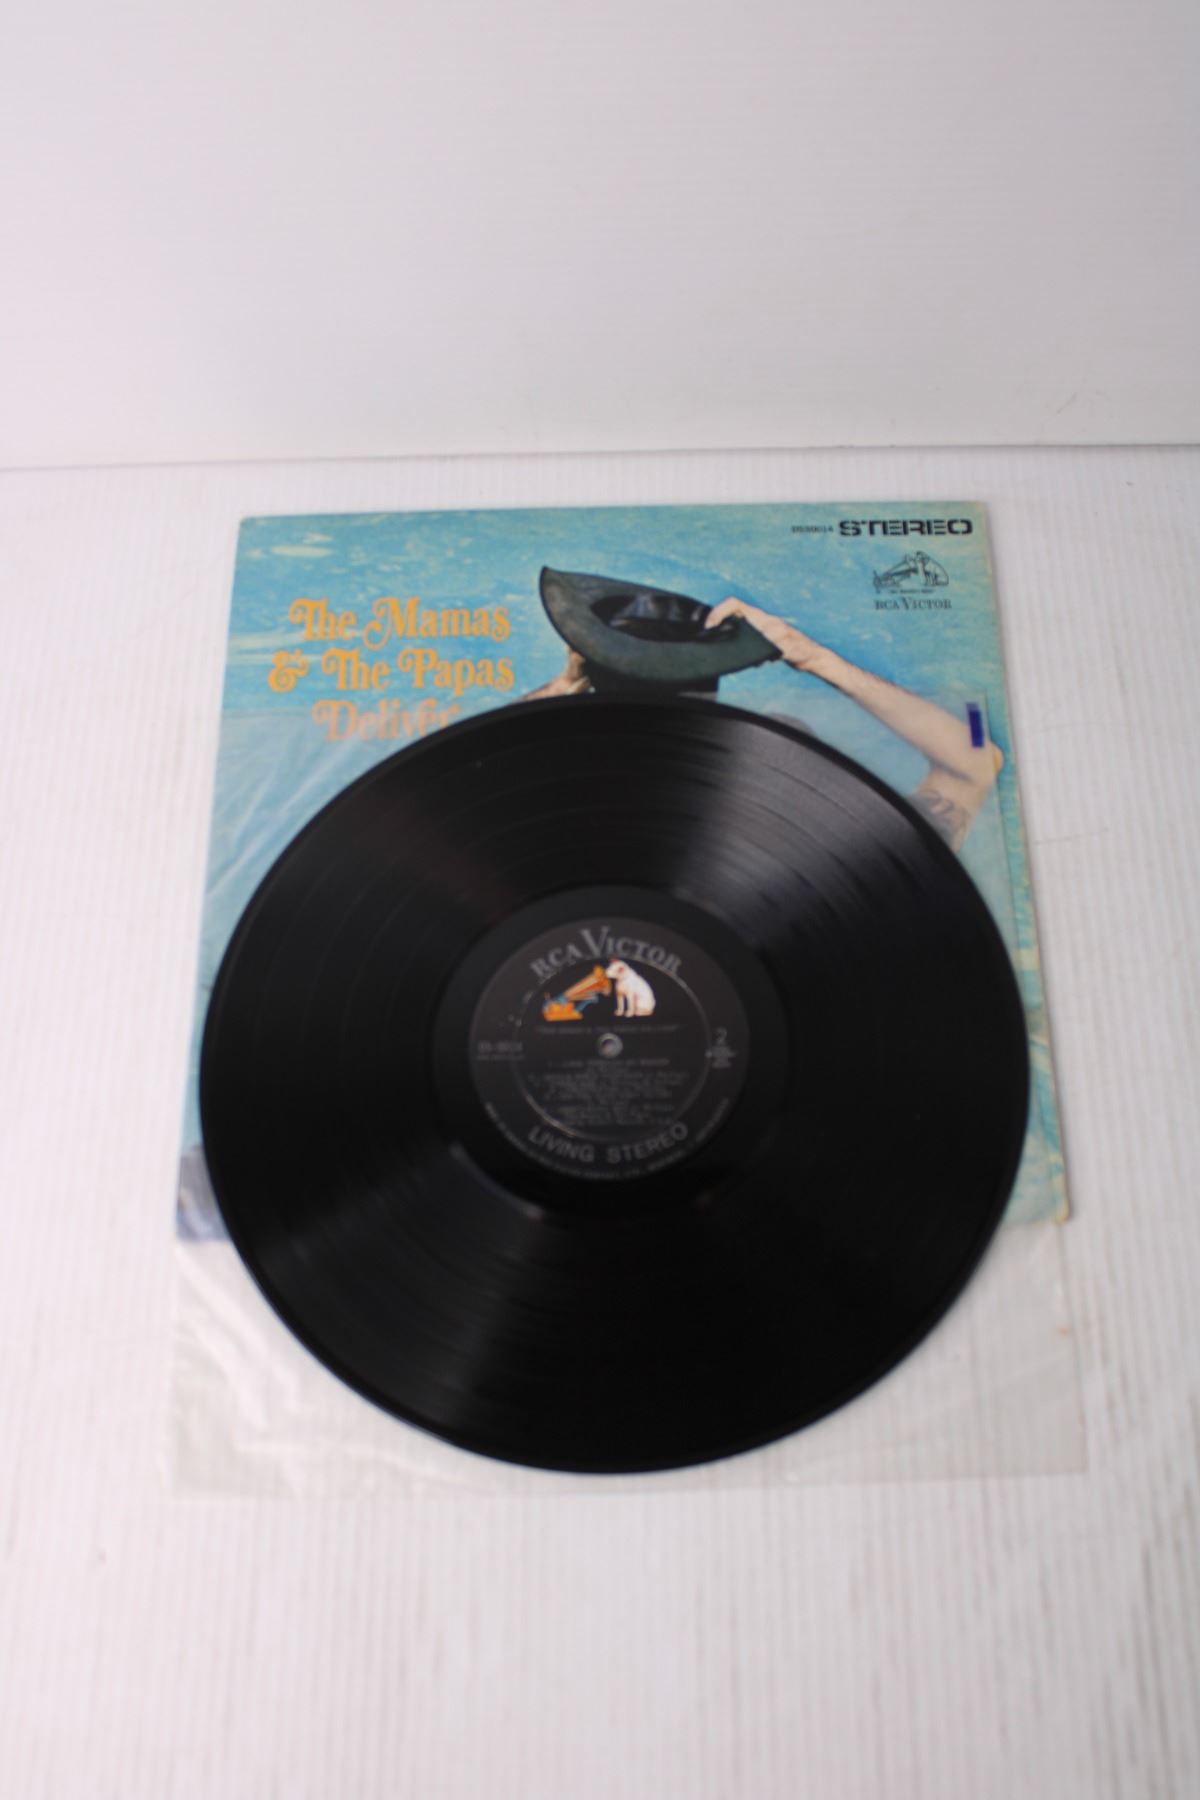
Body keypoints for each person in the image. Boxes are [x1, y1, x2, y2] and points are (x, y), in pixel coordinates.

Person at [525, 597, 1001, 853]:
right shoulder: (843, 860)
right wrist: (816, 659)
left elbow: (476, 769)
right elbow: (977, 755)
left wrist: (564, 686)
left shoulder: (562, 824)